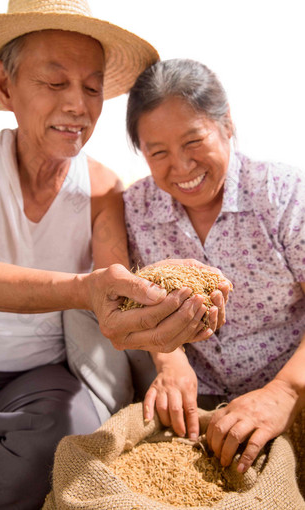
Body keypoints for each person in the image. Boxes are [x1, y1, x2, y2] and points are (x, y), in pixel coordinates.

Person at [0, 2, 230, 508]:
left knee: (68, 443)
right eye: (54, 82)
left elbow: (122, 294)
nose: (78, 106)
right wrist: (84, 288)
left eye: (92, 87)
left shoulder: (103, 188)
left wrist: (170, 354)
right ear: (4, 86)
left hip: (32, 376)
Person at [124, 58, 305, 475]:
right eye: (158, 152)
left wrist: (284, 393)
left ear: (227, 126)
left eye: (194, 141)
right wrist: (169, 361)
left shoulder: (282, 194)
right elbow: (130, 297)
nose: (182, 167)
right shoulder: (135, 209)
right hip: (198, 405)